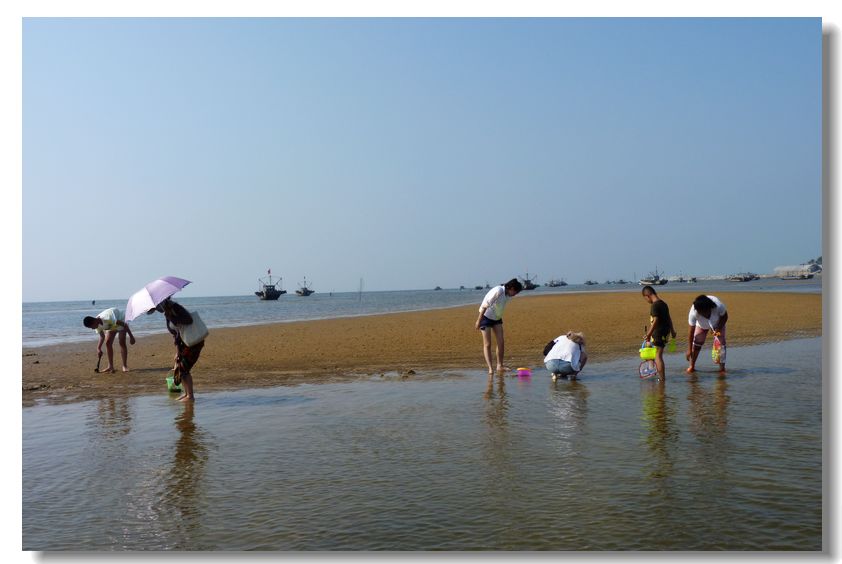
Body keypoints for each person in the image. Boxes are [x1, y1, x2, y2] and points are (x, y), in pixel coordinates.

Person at [154, 298, 205, 402]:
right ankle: (187, 394)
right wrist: (177, 352)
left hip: (193, 342)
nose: (157, 309)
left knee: (183, 369)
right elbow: (175, 334)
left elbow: (189, 320)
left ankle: (190, 396)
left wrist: (173, 318)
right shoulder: (167, 313)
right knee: (180, 369)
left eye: (157, 306)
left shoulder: (175, 308)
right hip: (184, 344)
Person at [475, 278, 523, 374]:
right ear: (511, 288)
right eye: (516, 292)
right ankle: (490, 368)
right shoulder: (498, 291)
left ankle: (499, 366)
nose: (515, 295)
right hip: (485, 317)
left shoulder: (507, 294)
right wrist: (478, 321)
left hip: (497, 318)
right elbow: (485, 305)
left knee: (501, 342)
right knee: (487, 344)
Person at [82, 307, 136, 373]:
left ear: (94, 321)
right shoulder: (97, 326)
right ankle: (110, 366)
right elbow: (102, 337)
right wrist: (98, 348)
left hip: (120, 319)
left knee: (122, 342)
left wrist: (131, 337)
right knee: (108, 343)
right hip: (111, 325)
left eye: (91, 327)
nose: (92, 329)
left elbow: (124, 325)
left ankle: (124, 366)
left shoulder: (108, 318)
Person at [686, 294, 729, 374]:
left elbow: (725, 317)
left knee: (721, 344)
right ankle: (692, 366)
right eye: (701, 313)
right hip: (701, 325)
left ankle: (722, 368)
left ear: (710, 308)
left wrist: (718, 328)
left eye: (705, 312)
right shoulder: (693, 312)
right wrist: (689, 349)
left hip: (718, 323)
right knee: (697, 343)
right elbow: (691, 332)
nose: (705, 315)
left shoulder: (718, 306)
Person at [641, 285, 677, 379]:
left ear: (647, 296)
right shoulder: (663, 304)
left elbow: (656, 321)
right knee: (649, 348)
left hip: (659, 332)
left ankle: (662, 379)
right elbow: (669, 318)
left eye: (645, 299)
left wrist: (648, 334)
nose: (647, 301)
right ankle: (653, 371)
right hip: (666, 332)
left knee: (658, 355)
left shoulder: (654, 305)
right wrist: (672, 331)